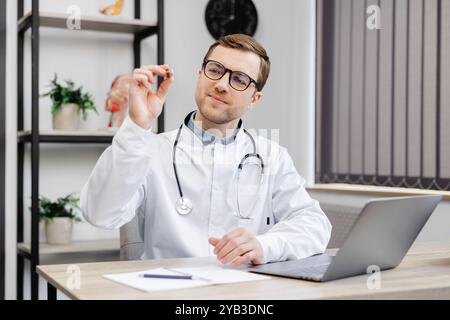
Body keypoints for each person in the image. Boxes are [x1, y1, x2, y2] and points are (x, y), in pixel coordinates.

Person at [81, 34, 332, 267]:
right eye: (215, 70)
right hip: (169, 292)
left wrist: (264, 245)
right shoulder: (149, 149)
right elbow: (99, 214)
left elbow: (314, 225)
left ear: (254, 99)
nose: (222, 84)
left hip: (244, 295)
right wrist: (136, 125)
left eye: (239, 80)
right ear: (200, 74)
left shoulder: (273, 157)